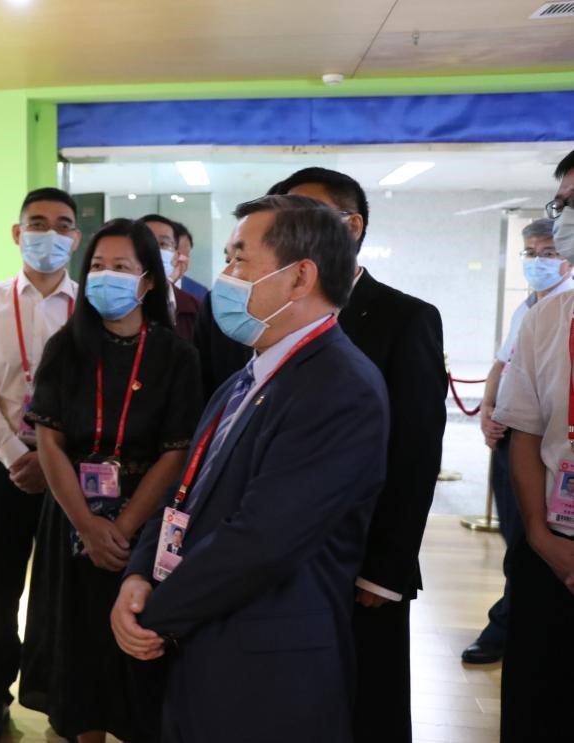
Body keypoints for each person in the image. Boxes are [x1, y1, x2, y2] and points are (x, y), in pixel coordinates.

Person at [112, 194, 390, 743]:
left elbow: (264, 540)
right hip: (202, 645)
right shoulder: (251, 375)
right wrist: (138, 575)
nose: (225, 277)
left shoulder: (339, 387)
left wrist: (156, 610)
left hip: (266, 669)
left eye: (240, 260)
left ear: (300, 277)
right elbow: (184, 494)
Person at [195, 167, 446, 742]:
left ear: (350, 228)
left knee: (364, 699)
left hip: (354, 556)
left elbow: (414, 451)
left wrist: (385, 568)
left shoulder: (404, 317)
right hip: (256, 549)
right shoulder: (242, 312)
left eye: (304, 215)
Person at [19, 217, 202, 743]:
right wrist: (87, 525)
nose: (106, 275)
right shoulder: (66, 347)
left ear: (147, 281)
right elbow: (50, 442)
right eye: (97, 265)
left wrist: (120, 528)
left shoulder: (177, 355)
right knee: (77, 649)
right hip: (71, 518)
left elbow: (176, 452)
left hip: (143, 527)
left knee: (137, 646)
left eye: (121, 266)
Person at [0, 187, 80, 743]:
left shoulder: (92, 307)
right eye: (37, 223)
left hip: (72, 474)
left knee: (63, 590)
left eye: (62, 224)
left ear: (75, 238)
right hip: (1, 468)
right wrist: (16, 455)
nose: (49, 234)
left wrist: (51, 461)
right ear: (17, 233)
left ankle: (61, 697)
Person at [492, 148, 574, 743]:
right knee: (539, 707)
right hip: (553, 547)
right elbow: (524, 433)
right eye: (562, 203)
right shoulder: (547, 318)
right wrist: (542, 539)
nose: (564, 217)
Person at [463, 217, 571, 665]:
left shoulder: (561, 305)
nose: (538, 262)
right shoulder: (532, 309)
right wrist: (489, 408)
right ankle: (512, 623)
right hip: (517, 438)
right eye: (531, 254)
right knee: (520, 537)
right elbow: (502, 362)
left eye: (548, 254)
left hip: (550, 449)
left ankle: (504, 626)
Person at [142, 214, 199, 340]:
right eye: (146, 243)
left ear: (176, 254)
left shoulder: (195, 307)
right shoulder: (118, 299)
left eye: (163, 244)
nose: (155, 250)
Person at [173, 222, 209, 302]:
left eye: (186, 254)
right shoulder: (146, 286)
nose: (181, 259)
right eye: (176, 253)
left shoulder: (200, 292)